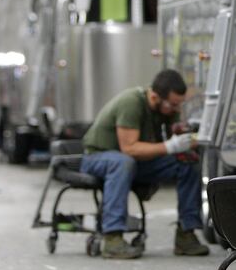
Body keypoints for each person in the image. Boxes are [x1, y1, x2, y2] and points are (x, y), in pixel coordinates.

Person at [79, 69, 209, 259]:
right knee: (123, 162)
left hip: (133, 163)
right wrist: (170, 146)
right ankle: (112, 239)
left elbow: (170, 140)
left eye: (180, 104)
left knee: (187, 161)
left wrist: (187, 139)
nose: (177, 110)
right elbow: (129, 149)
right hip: (98, 158)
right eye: (173, 104)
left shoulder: (165, 109)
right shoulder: (131, 103)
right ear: (155, 97)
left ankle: (186, 234)